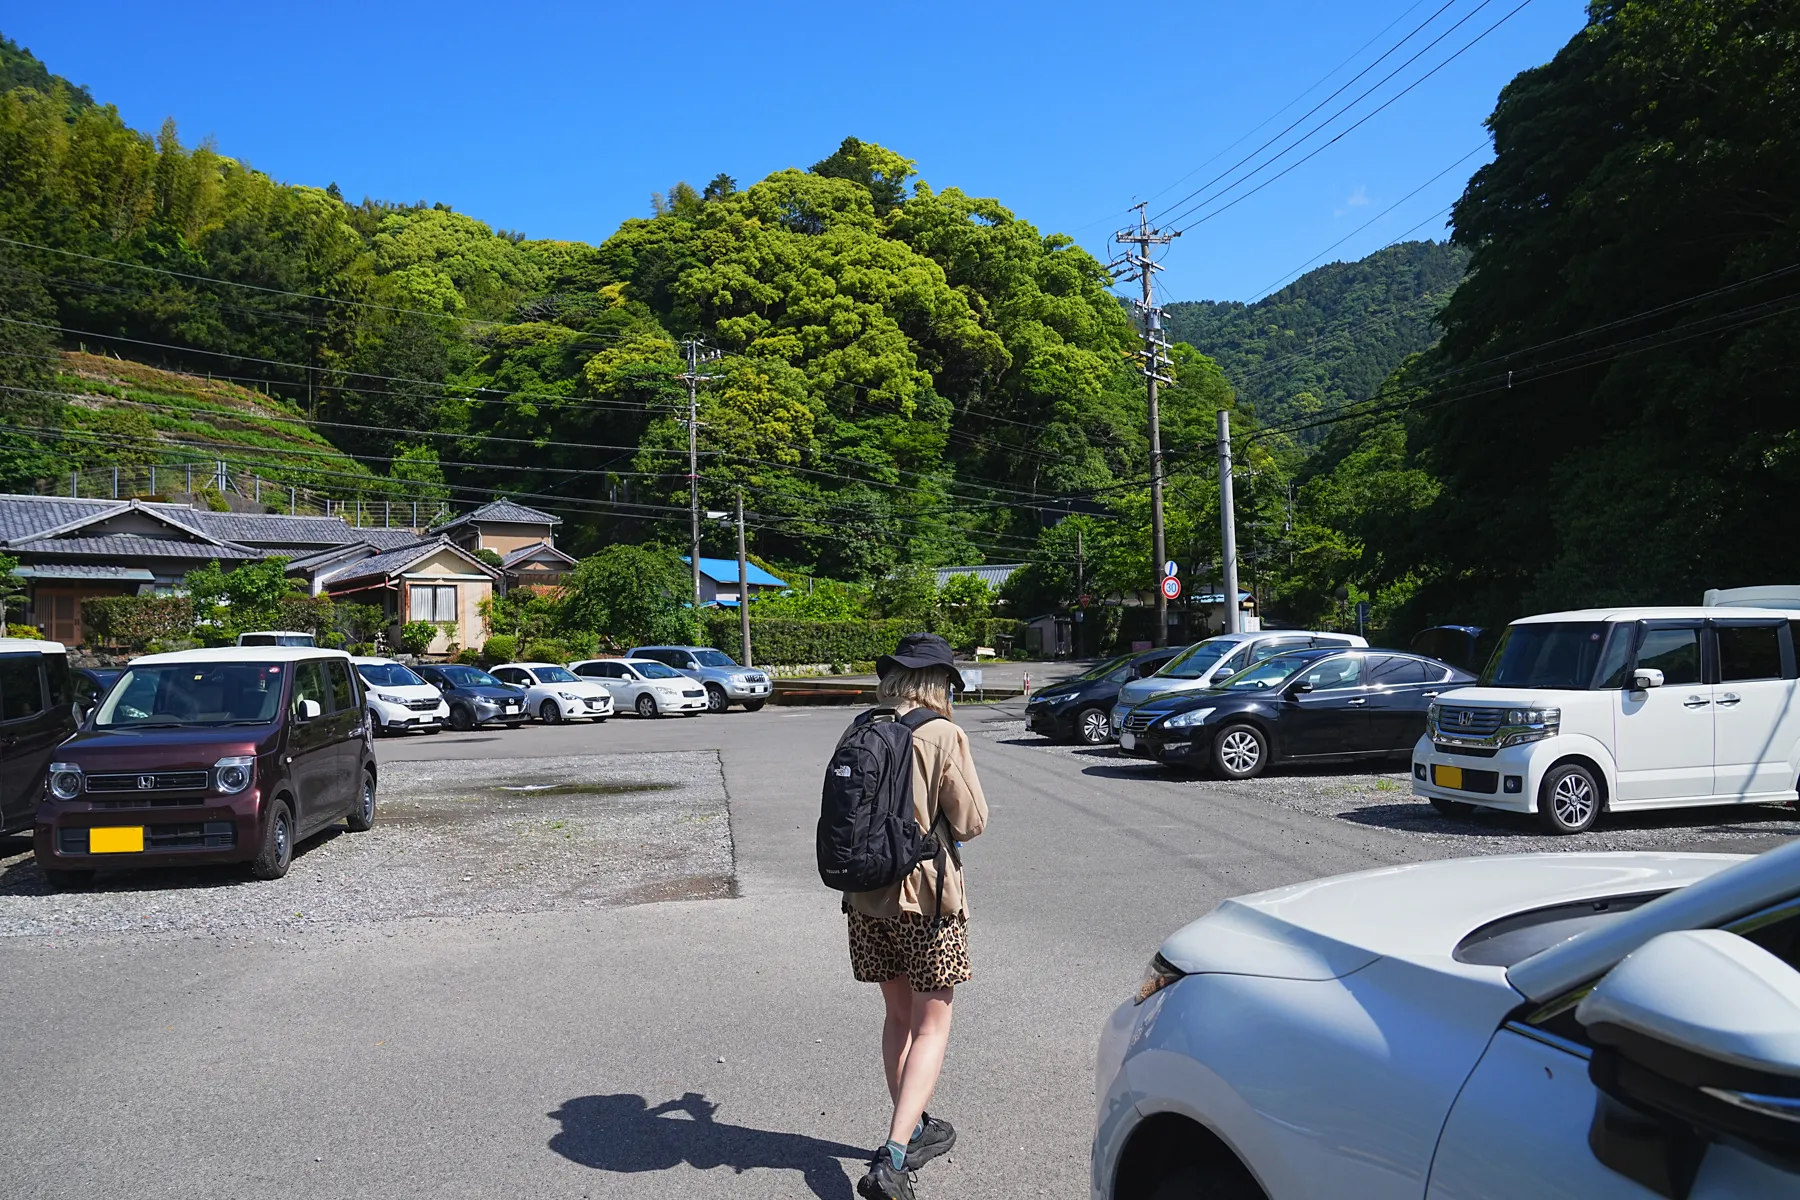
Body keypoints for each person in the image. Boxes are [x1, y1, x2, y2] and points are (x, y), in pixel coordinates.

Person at [845, 633, 989, 1200]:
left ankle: (917, 1125)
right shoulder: (943, 734)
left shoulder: (863, 728)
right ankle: (895, 1156)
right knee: (932, 1025)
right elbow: (972, 820)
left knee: (897, 1018)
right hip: (927, 901)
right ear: (938, 685)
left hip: (865, 899)